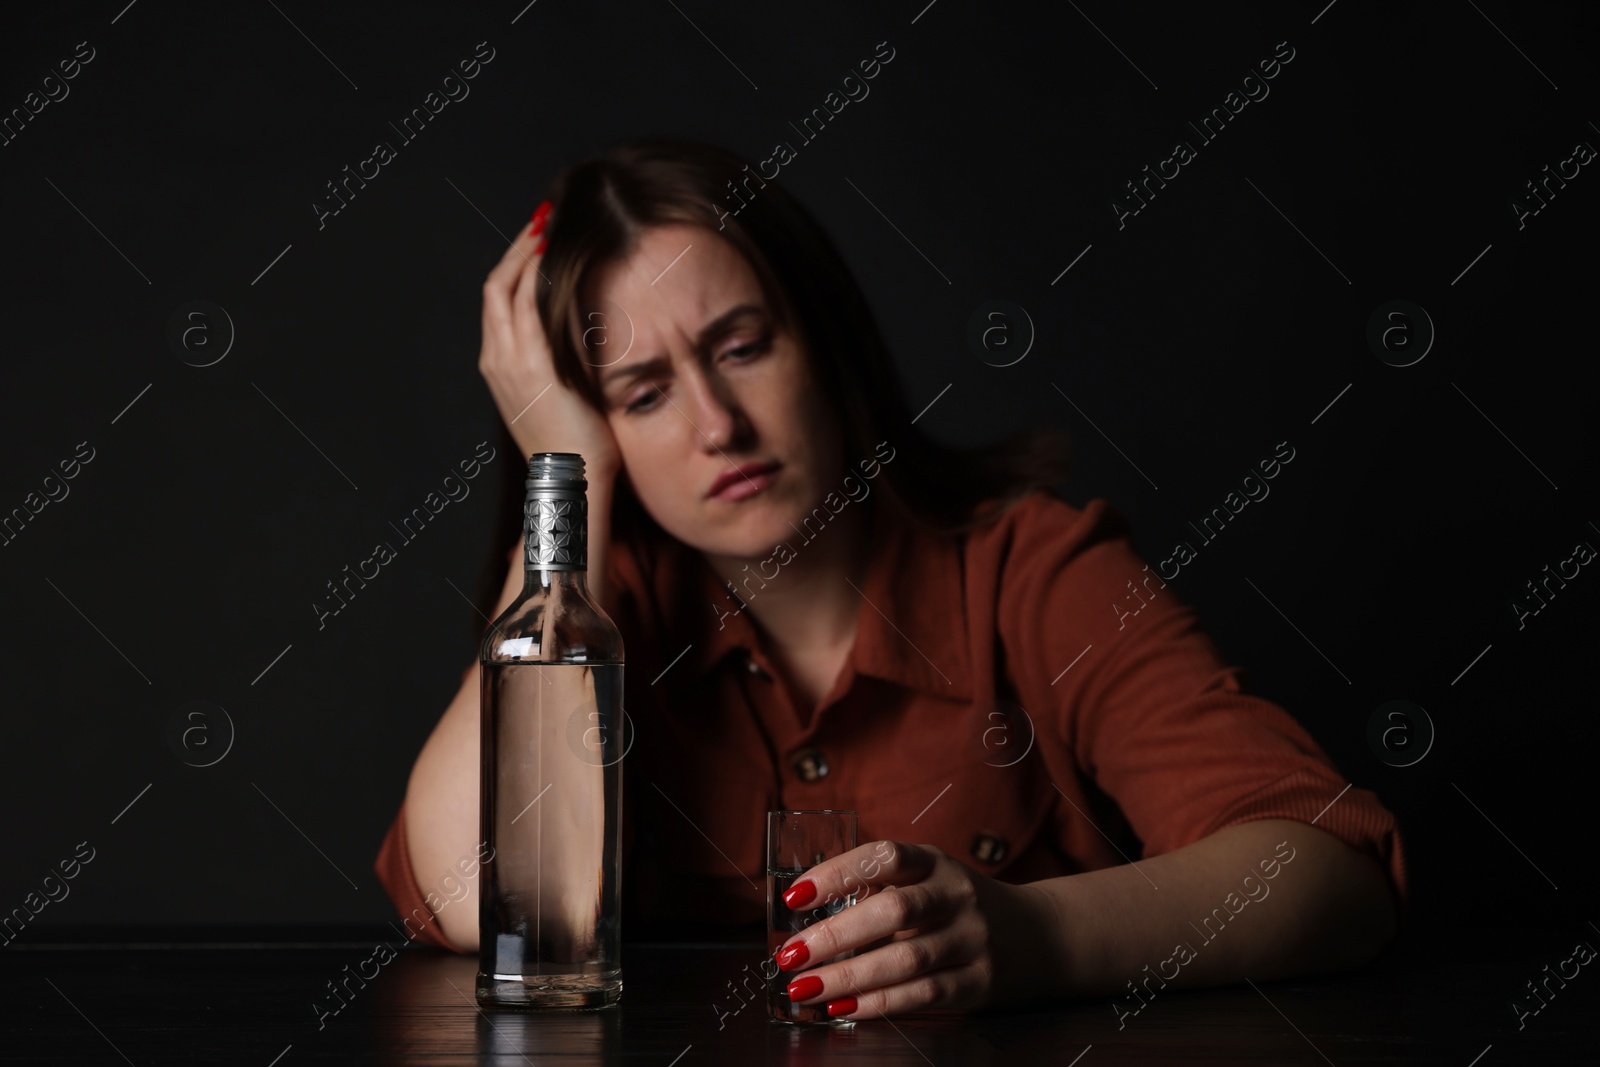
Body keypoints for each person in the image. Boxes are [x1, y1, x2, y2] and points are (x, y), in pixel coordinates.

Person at [375, 137, 1406, 1022]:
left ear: (823, 340)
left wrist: (1026, 934)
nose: (716, 423)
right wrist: (566, 467)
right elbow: (481, 900)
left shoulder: (1030, 569)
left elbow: (1327, 870)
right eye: (641, 395)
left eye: (740, 345)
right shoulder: (610, 614)